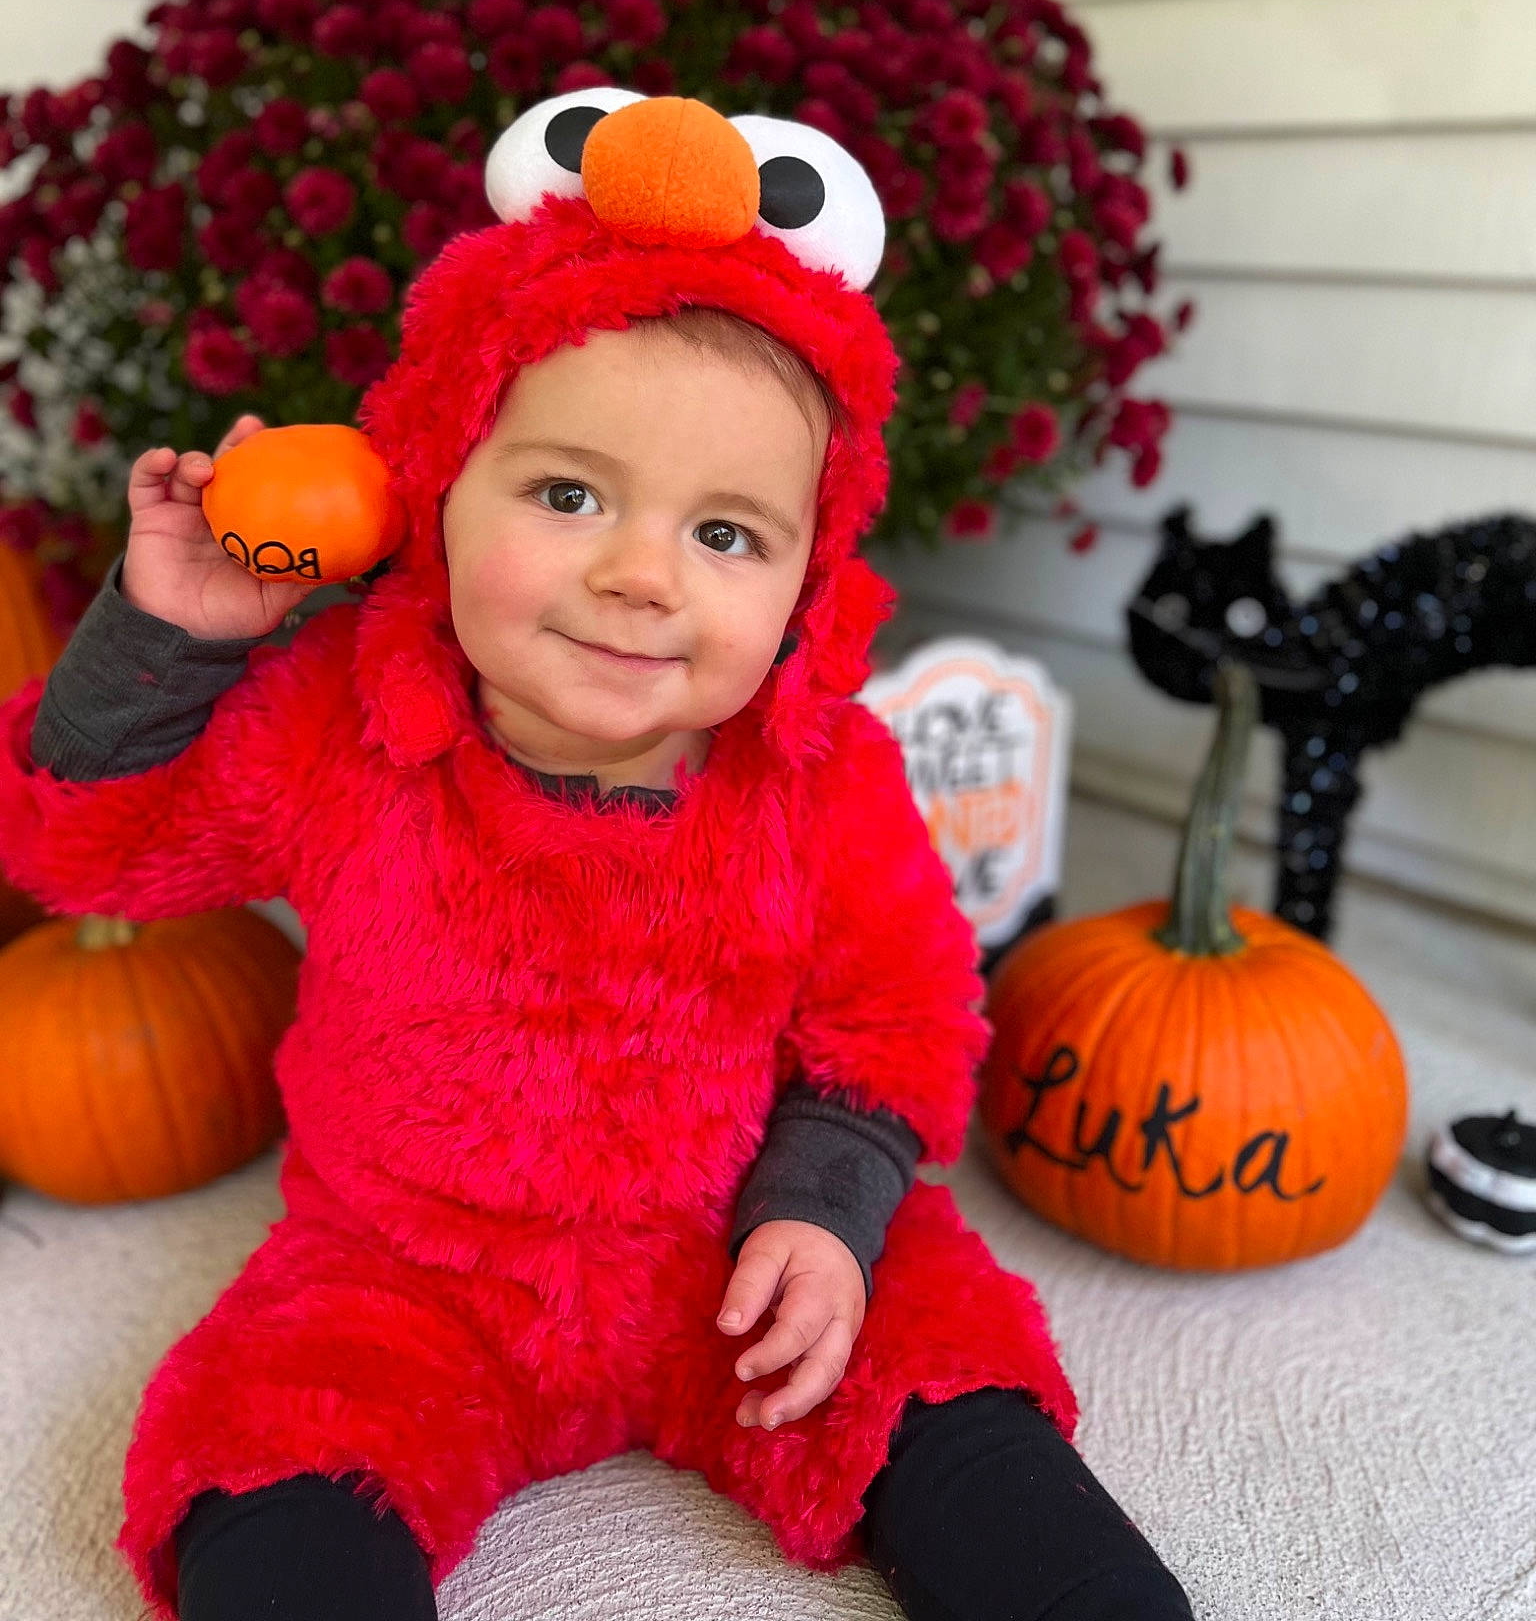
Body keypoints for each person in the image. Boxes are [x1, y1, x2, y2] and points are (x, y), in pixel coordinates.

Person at [0, 90, 1194, 1621]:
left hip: (744, 1254)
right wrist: (164, 642)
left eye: (728, 536)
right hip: (415, 1275)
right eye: (568, 496)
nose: (639, 577)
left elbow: (897, 1023)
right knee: (278, 1431)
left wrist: (825, 1216)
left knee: (933, 1368)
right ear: (430, 494)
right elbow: (86, 846)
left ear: (809, 583)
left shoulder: (822, 772)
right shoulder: (338, 716)